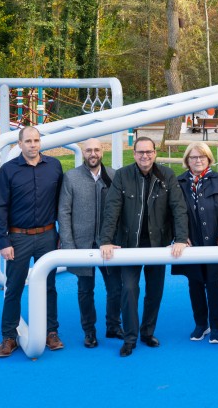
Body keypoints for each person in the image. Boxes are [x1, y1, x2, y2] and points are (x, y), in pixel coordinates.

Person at [99, 136, 189, 358]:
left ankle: (147, 332)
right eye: (140, 152)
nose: (145, 156)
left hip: (158, 245)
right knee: (129, 290)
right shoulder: (122, 176)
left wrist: (180, 238)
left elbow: (178, 208)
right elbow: (112, 209)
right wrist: (106, 240)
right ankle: (130, 338)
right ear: (134, 154)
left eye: (148, 152)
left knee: (154, 292)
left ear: (155, 153)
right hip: (129, 246)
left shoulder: (167, 176)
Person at [0, 126, 64, 358]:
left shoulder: (54, 166)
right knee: (13, 287)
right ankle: (9, 336)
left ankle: (51, 332)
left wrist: (61, 235)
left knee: (49, 286)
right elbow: (0, 207)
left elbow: (61, 203)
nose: (33, 145)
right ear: (20, 144)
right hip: (18, 237)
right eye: (28, 141)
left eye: (36, 140)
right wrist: (4, 241)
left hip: (47, 236)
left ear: (40, 142)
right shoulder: (8, 170)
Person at [57, 138, 123, 349]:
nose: (92, 153)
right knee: (85, 290)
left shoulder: (113, 176)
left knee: (115, 288)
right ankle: (89, 331)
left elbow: (121, 211)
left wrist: (117, 239)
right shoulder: (71, 177)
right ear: (83, 153)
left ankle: (113, 325)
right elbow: (64, 212)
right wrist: (68, 245)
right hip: (81, 244)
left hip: (108, 244)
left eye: (96, 150)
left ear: (102, 151)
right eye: (88, 150)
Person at [173, 142, 218, 344]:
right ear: (187, 160)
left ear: (209, 159)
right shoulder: (179, 182)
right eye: (193, 157)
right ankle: (201, 324)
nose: (198, 160)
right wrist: (180, 236)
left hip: (215, 241)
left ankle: (216, 326)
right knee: (195, 284)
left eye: (202, 157)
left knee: (214, 284)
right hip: (191, 242)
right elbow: (173, 212)